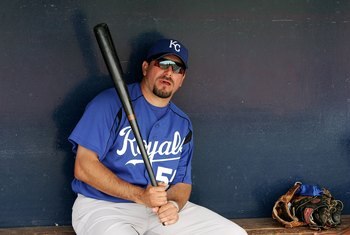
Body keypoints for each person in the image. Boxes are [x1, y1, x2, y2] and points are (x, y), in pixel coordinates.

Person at [69, 38, 247, 235]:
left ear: (182, 79)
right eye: (163, 63)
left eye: (177, 68)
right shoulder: (109, 103)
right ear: (145, 68)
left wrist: (174, 205)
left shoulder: (182, 123)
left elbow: (182, 183)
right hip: (105, 207)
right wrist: (139, 195)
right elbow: (84, 166)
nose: (169, 72)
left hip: (158, 211)